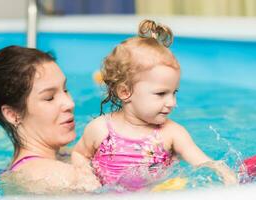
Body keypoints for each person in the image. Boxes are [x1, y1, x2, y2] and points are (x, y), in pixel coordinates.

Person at [73, 19, 237, 191]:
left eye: (174, 93)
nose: (172, 103)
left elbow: (202, 161)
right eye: (161, 94)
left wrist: (223, 172)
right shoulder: (100, 129)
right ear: (125, 92)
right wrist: (85, 177)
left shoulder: (172, 133)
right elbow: (79, 154)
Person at [0, 45, 100, 194]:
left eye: (65, 90)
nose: (70, 103)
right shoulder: (51, 176)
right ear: (12, 114)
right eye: (49, 98)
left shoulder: (57, 158)